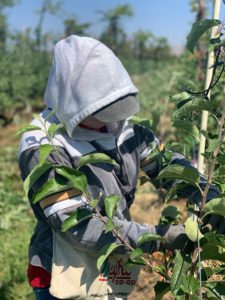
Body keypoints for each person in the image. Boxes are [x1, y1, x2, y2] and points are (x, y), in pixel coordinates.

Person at [18, 35, 221, 300]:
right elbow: (79, 225)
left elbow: (165, 164)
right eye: (100, 112)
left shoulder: (125, 127)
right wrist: (157, 238)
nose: (110, 122)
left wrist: (207, 193)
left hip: (111, 264)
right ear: (72, 103)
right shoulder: (42, 144)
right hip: (62, 271)